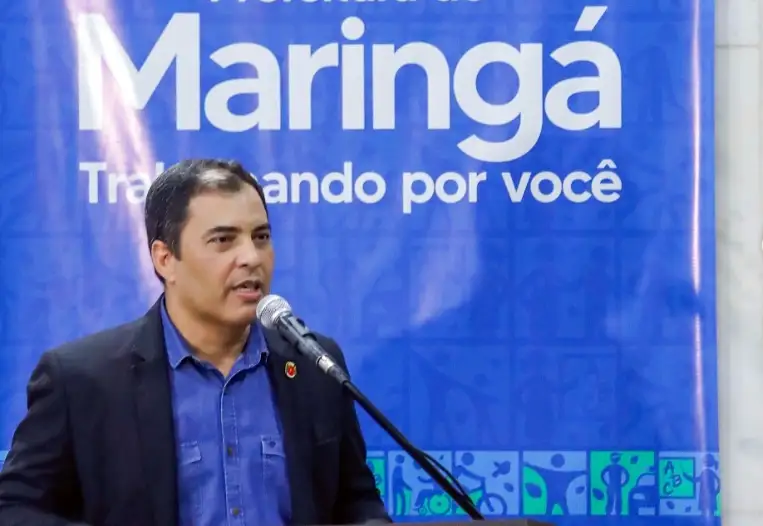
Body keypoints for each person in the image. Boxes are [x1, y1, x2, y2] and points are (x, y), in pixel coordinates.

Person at [0, 159, 390, 526]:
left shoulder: (313, 364)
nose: (251, 257)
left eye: (261, 237)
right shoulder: (82, 380)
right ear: (165, 259)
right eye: (223, 240)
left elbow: (356, 500)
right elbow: (14, 508)